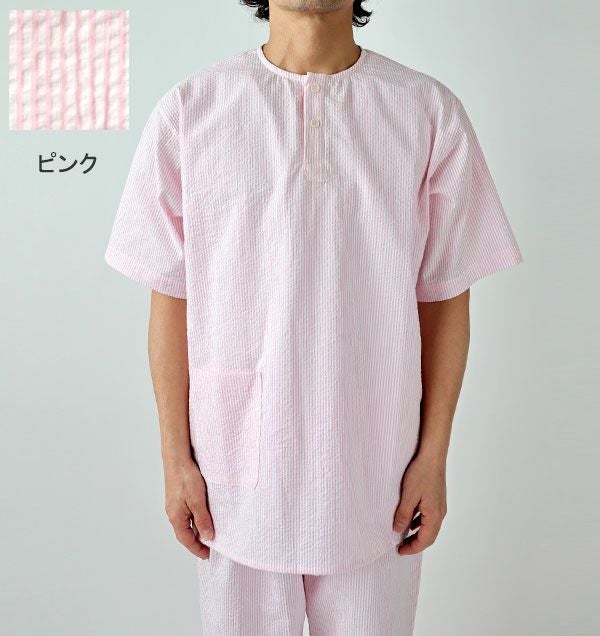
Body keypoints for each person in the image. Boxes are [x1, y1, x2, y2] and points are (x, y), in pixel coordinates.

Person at [104, 1, 523, 633]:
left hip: (377, 473)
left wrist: (434, 456)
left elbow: (444, 295)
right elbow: (170, 297)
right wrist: (175, 459)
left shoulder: (426, 112)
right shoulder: (192, 111)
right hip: (232, 473)